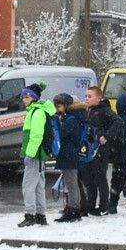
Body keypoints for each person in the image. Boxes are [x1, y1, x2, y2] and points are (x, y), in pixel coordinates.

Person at [82, 86, 123, 216]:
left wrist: (107, 136)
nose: (87, 98)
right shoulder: (88, 110)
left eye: (90, 96)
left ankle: (104, 206)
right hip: (88, 149)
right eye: (86, 96)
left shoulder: (104, 110)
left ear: (99, 98)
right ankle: (91, 205)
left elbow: (118, 122)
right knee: (89, 179)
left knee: (100, 178)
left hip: (100, 150)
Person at [18, 84, 55, 227]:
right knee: (39, 186)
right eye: (23, 96)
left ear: (33, 97)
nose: (24, 99)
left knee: (27, 186)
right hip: (40, 154)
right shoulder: (36, 111)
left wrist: (29, 154)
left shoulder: (37, 112)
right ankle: (41, 215)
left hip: (36, 154)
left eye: (26, 96)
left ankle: (30, 215)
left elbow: (36, 136)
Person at [53, 93, 86, 223]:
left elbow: (62, 134)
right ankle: (73, 208)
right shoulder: (68, 118)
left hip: (70, 155)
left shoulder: (71, 120)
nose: (57, 109)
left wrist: (56, 121)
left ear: (66, 106)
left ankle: (74, 209)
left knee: (71, 184)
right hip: (68, 155)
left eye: (59, 106)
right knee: (70, 183)